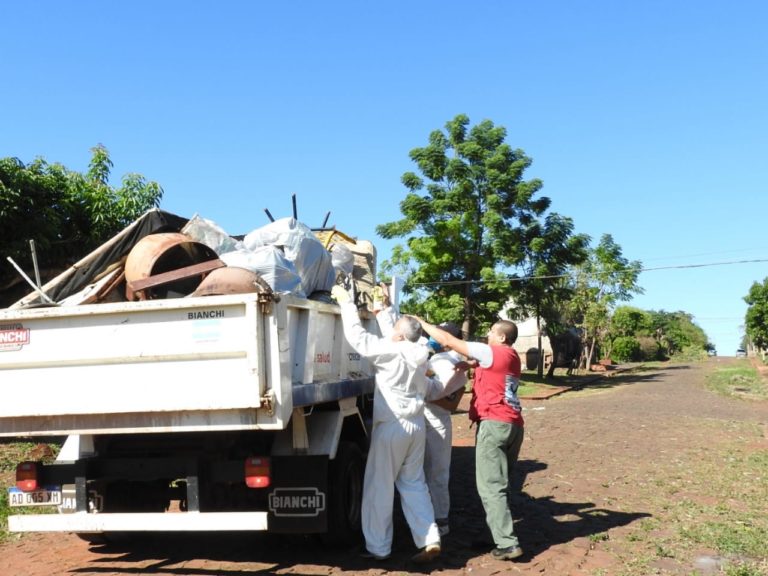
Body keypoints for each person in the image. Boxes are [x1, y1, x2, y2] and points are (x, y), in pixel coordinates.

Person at [332, 283, 441, 564]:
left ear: (398, 334)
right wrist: (385, 309)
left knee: (379, 486)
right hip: (416, 425)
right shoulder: (418, 353)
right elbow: (398, 333)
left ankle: (379, 547)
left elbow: (359, 338)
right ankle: (429, 538)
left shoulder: (389, 351)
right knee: (414, 484)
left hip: (392, 425)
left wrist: (346, 303)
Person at [418, 317, 525, 561]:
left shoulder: (493, 352)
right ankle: (496, 535)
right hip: (513, 424)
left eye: (491, 331)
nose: (487, 334)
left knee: (490, 487)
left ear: (501, 337)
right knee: (501, 484)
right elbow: (489, 369)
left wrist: (419, 321)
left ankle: (507, 543)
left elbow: (446, 340)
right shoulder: (511, 356)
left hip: (494, 424)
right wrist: (470, 366)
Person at [423, 322, 468, 537]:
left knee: (437, 473)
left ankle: (440, 520)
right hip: (426, 420)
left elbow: (438, 396)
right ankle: (426, 518)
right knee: (424, 472)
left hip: (436, 422)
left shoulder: (452, 363)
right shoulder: (438, 358)